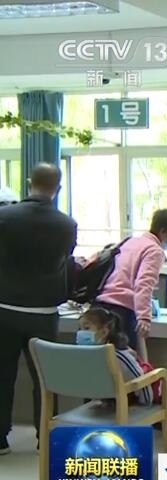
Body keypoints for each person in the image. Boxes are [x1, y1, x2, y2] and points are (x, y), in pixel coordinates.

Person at [0, 163, 77, 454]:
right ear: (58, 188)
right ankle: (44, 437)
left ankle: (0, 439)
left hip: (4, 308)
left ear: (28, 182)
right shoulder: (67, 225)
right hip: (44, 313)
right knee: (45, 379)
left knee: (2, 376)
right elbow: (64, 260)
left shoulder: (4, 217)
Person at [76, 307, 167, 450]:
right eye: (80, 329)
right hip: (119, 396)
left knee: (162, 419)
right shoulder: (88, 354)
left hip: (144, 391)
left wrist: (145, 404)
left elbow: (140, 377)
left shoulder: (119, 354)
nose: (81, 333)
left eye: (86, 328)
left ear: (104, 332)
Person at [94, 209, 167, 354]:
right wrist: (144, 317)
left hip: (99, 307)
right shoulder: (154, 251)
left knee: (99, 360)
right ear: (163, 231)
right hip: (122, 312)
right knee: (124, 362)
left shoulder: (129, 242)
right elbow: (143, 284)